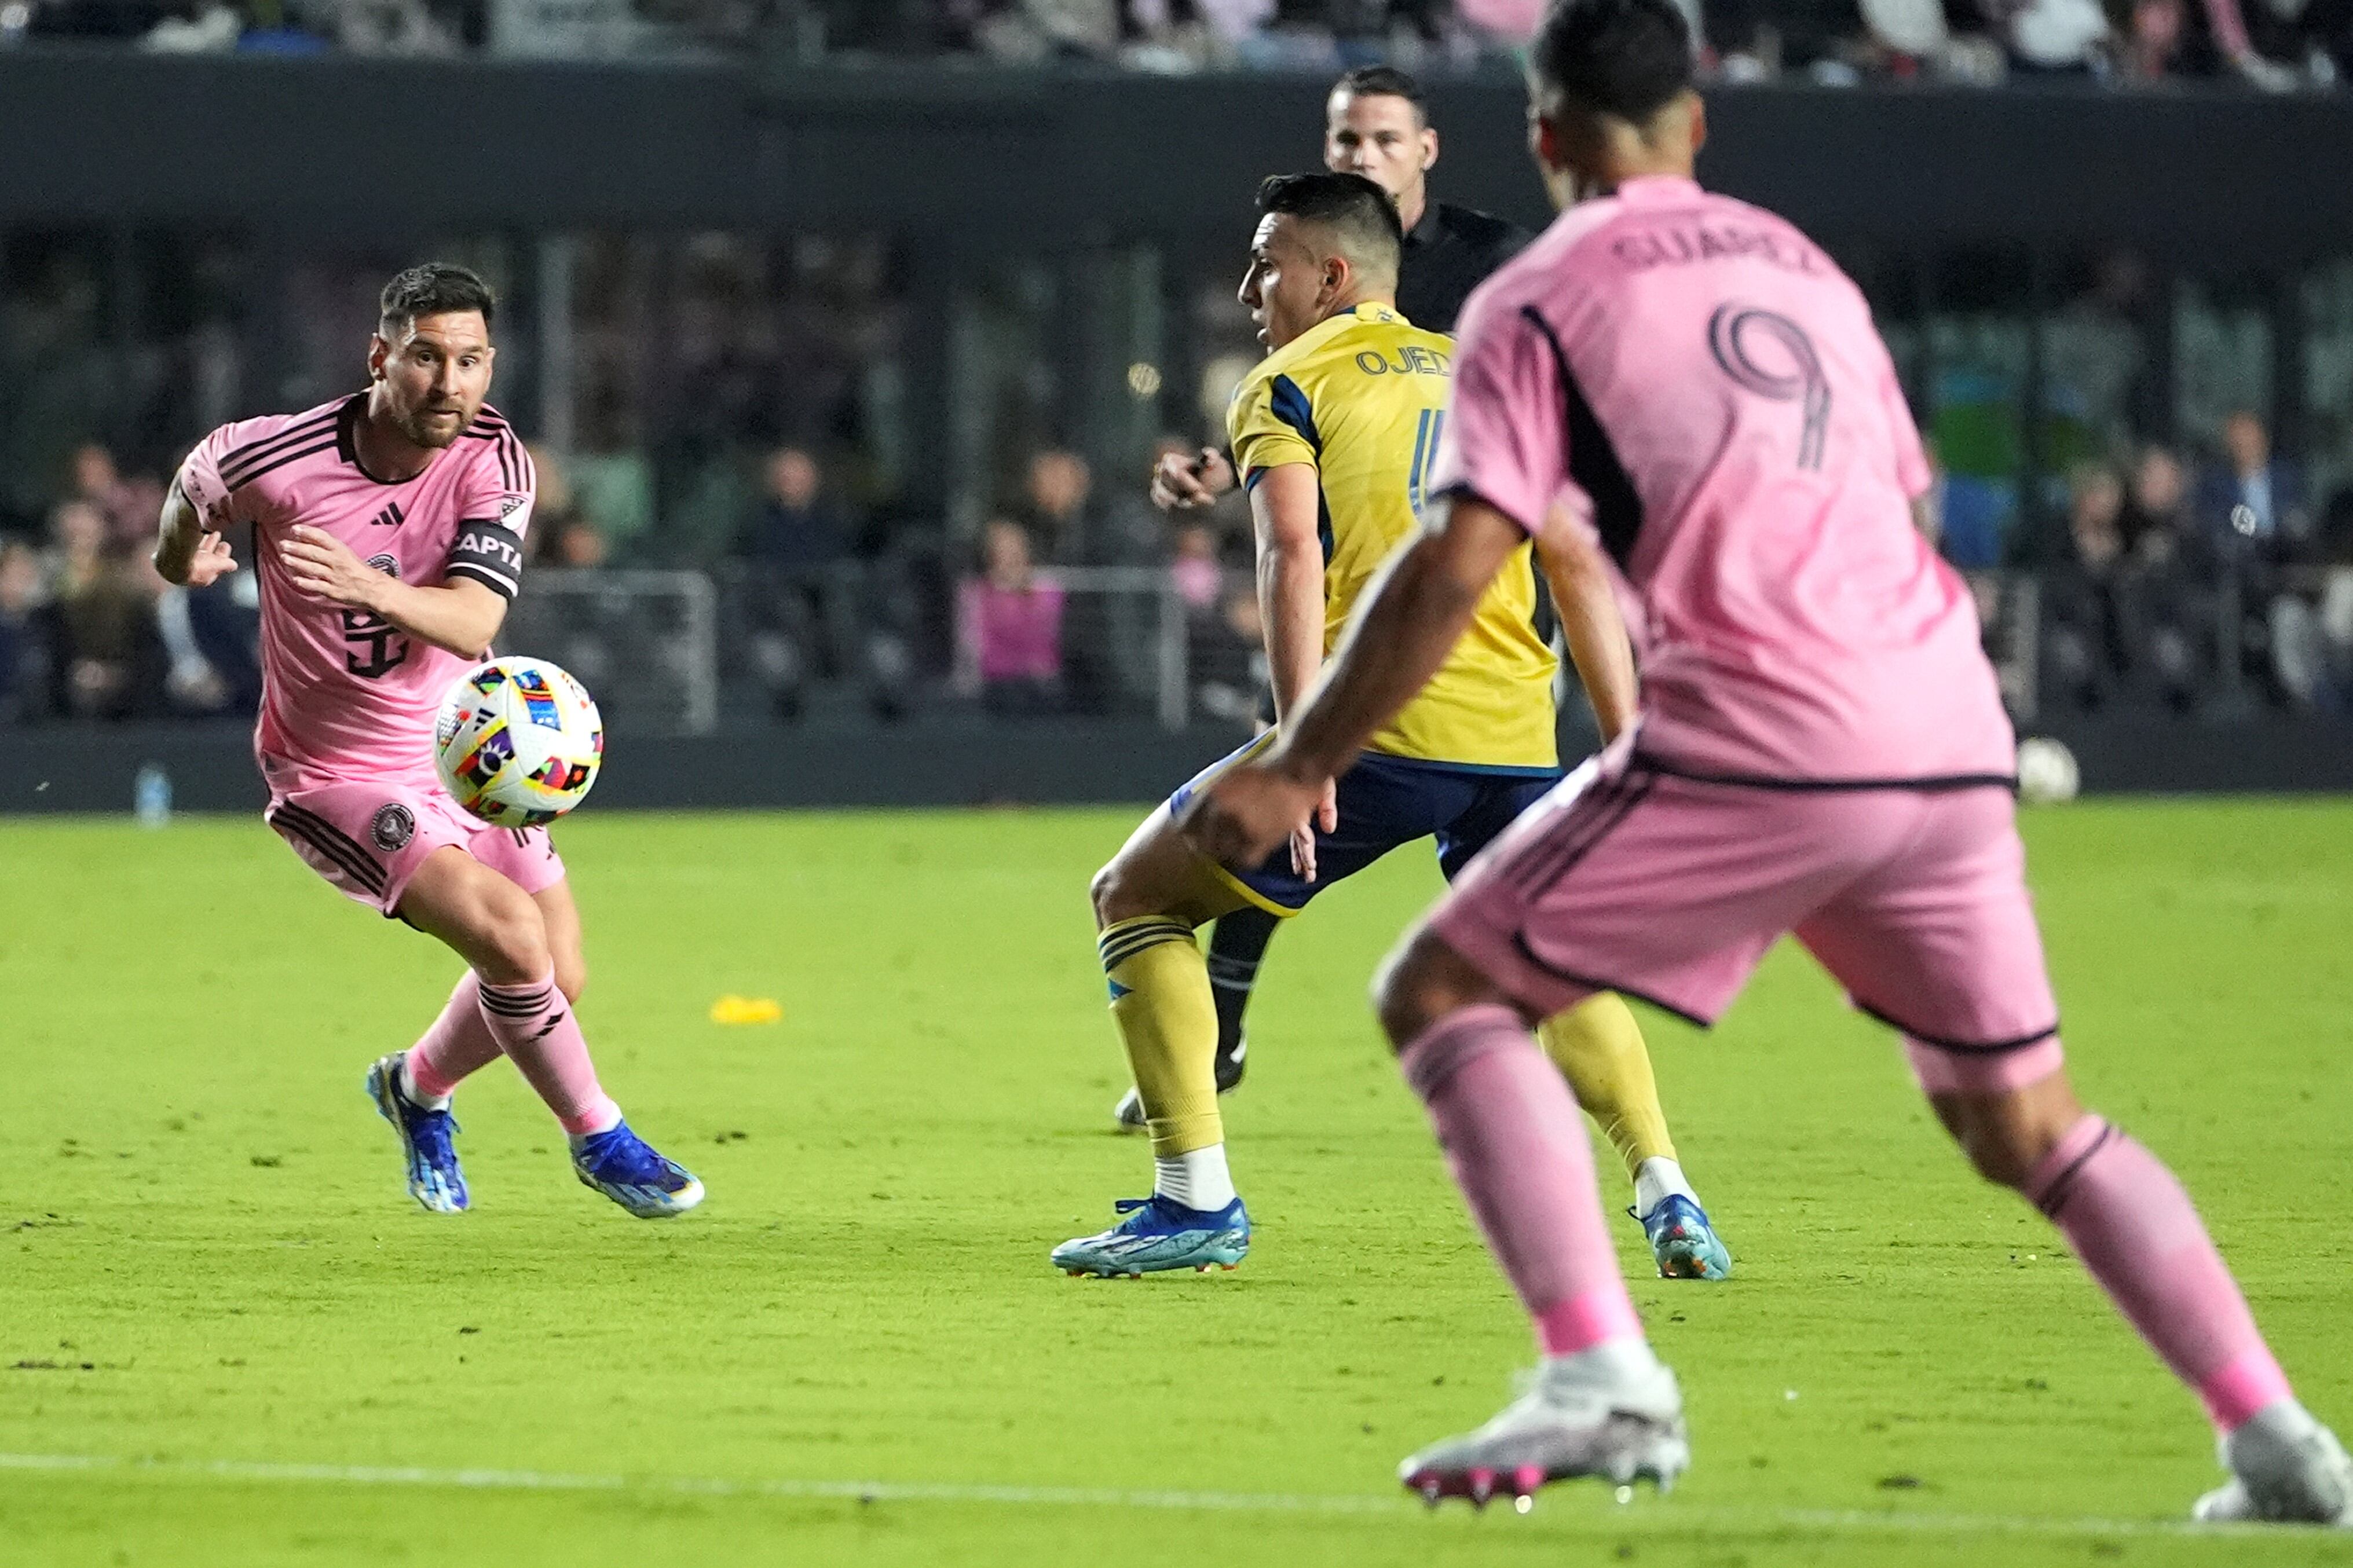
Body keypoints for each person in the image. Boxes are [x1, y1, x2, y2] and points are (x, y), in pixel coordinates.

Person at [1181, 0, 2350, 1522]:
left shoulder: (1537, 297)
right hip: (1941, 724)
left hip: (1762, 729)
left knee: (1438, 989)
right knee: (2026, 1122)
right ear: (1698, 126)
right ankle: (2274, 1440)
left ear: (1541, 138)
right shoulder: (1805, 277)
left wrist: (1297, 754)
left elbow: (1459, 555)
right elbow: (1901, 510)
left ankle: (1600, 1373)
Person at [1053, 171, 1727, 1282]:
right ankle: (1668, 1192)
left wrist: (1300, 742)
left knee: (1133, 896)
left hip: (1378, 728)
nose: (1246, 284)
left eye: (1265, 259)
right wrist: (1631, 742)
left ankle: (1194, 1202)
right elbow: (1576, 565)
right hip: (1513, 739)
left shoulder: (1285, 381)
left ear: (1329, 274)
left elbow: (1289, 550)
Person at [1140, 65, 1616, 1178]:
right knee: (1499, 924)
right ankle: (1659, 1175)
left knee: (1226, 834)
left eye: (1381, 137)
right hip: (1399, 624)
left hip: (1466, 613)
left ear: (1426, 151)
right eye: (1345, 136)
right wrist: (1232, 467)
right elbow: (1331, 434)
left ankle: (1200, 1137)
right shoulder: (1311, 296)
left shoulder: (1486, 264)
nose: (1360, 153)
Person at [151, 263, 703, 1221]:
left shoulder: (496, 458)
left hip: (461, 748)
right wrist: (180, 553)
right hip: (336, 773)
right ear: (381, 357)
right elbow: (195, 483)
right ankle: (599, 1136)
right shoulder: (278, 457)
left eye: (471, 360)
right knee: (513, 940)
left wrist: (369, 588)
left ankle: (413, 1087)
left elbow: (474, 614)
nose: (450, 383)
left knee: (557, 975)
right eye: (427, 358)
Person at [954, 517, 1066, 716]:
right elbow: (970, 640)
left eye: (1014, 550)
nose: (1008, 558)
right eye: (1001, 551)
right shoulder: (975, 592)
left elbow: (1048, 635)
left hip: (1040, 681)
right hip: (994, 682)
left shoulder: (1047, 589)